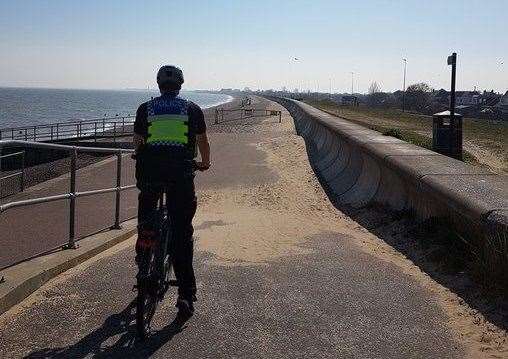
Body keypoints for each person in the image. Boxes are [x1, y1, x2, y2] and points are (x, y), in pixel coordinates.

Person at [133, 65, 210, 317]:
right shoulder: (192, 108)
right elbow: (202, 142)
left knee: (146, 216)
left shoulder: (146, 108)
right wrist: (205, 162)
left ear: (158, 85)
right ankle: (186, 295)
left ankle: (143, 253)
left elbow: (138, 142)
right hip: (180, 175)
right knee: (181, 233)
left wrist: (140, 153)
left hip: (150, 174)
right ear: (180, 85)